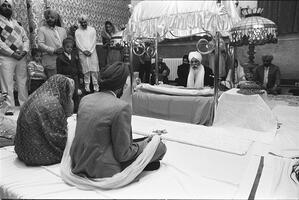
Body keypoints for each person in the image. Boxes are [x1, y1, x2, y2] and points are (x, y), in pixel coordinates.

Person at [70, 61, 166, 178]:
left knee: (143, 141)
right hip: (103, 168)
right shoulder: (121, 107)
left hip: (78, 162)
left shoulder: (85, 99)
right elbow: (124, 154)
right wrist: (149, 144)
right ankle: (141, 163)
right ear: (123, 85)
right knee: (160, 146)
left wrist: (144, 142)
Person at [14, 74, 75, 166]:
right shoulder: (52, 104)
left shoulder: (35, 95)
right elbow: (60, 138)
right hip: (39, 156)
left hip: (22, 151)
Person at [0, 0, 29, 115]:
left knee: (22, 81)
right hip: (6, 57)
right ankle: (8, 108)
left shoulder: (18, 24)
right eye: (4, 5)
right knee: (6, 83)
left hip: (21, 57)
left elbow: (25, 39)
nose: (7, 7)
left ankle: (24, 106)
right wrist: (12, 53)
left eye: (9, 6)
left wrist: (25, 51)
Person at [37, 9, 67, 78]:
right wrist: (53, 50)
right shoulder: (42, 29)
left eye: (52, 17)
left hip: (63, 61)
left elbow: (66, 43)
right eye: (47, 18)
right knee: (52, 83)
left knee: (63, 82)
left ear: (56, 18)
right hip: (50, 62)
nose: (49, 19)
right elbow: (40, 44)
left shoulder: (62, 30)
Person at [56, 37, 82, 113]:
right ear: (63, 47)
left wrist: (80, 76)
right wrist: (61, 79)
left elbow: (79, 66)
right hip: (66, 79)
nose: (70, 49)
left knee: (76, 94)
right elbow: (59, 71)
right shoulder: (60, 58)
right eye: (67, 47)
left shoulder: (75, 56)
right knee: (67, 95)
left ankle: (76, 110)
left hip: (75, 78)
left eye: (71, 47)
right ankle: (67, 111)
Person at [75, 15, 99, 92]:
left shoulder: (92, 30)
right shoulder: (77, 31)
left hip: (92, 52)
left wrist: (90, 50)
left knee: (94, 70)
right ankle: (87, 88)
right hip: (83, 53)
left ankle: (96, 87)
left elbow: (94, 40)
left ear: (87, 22)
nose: (84, 24)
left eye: (85, 22)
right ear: (79, 23)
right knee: (86, 70)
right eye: (82, 23)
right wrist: (83, 50)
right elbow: (78, 42)